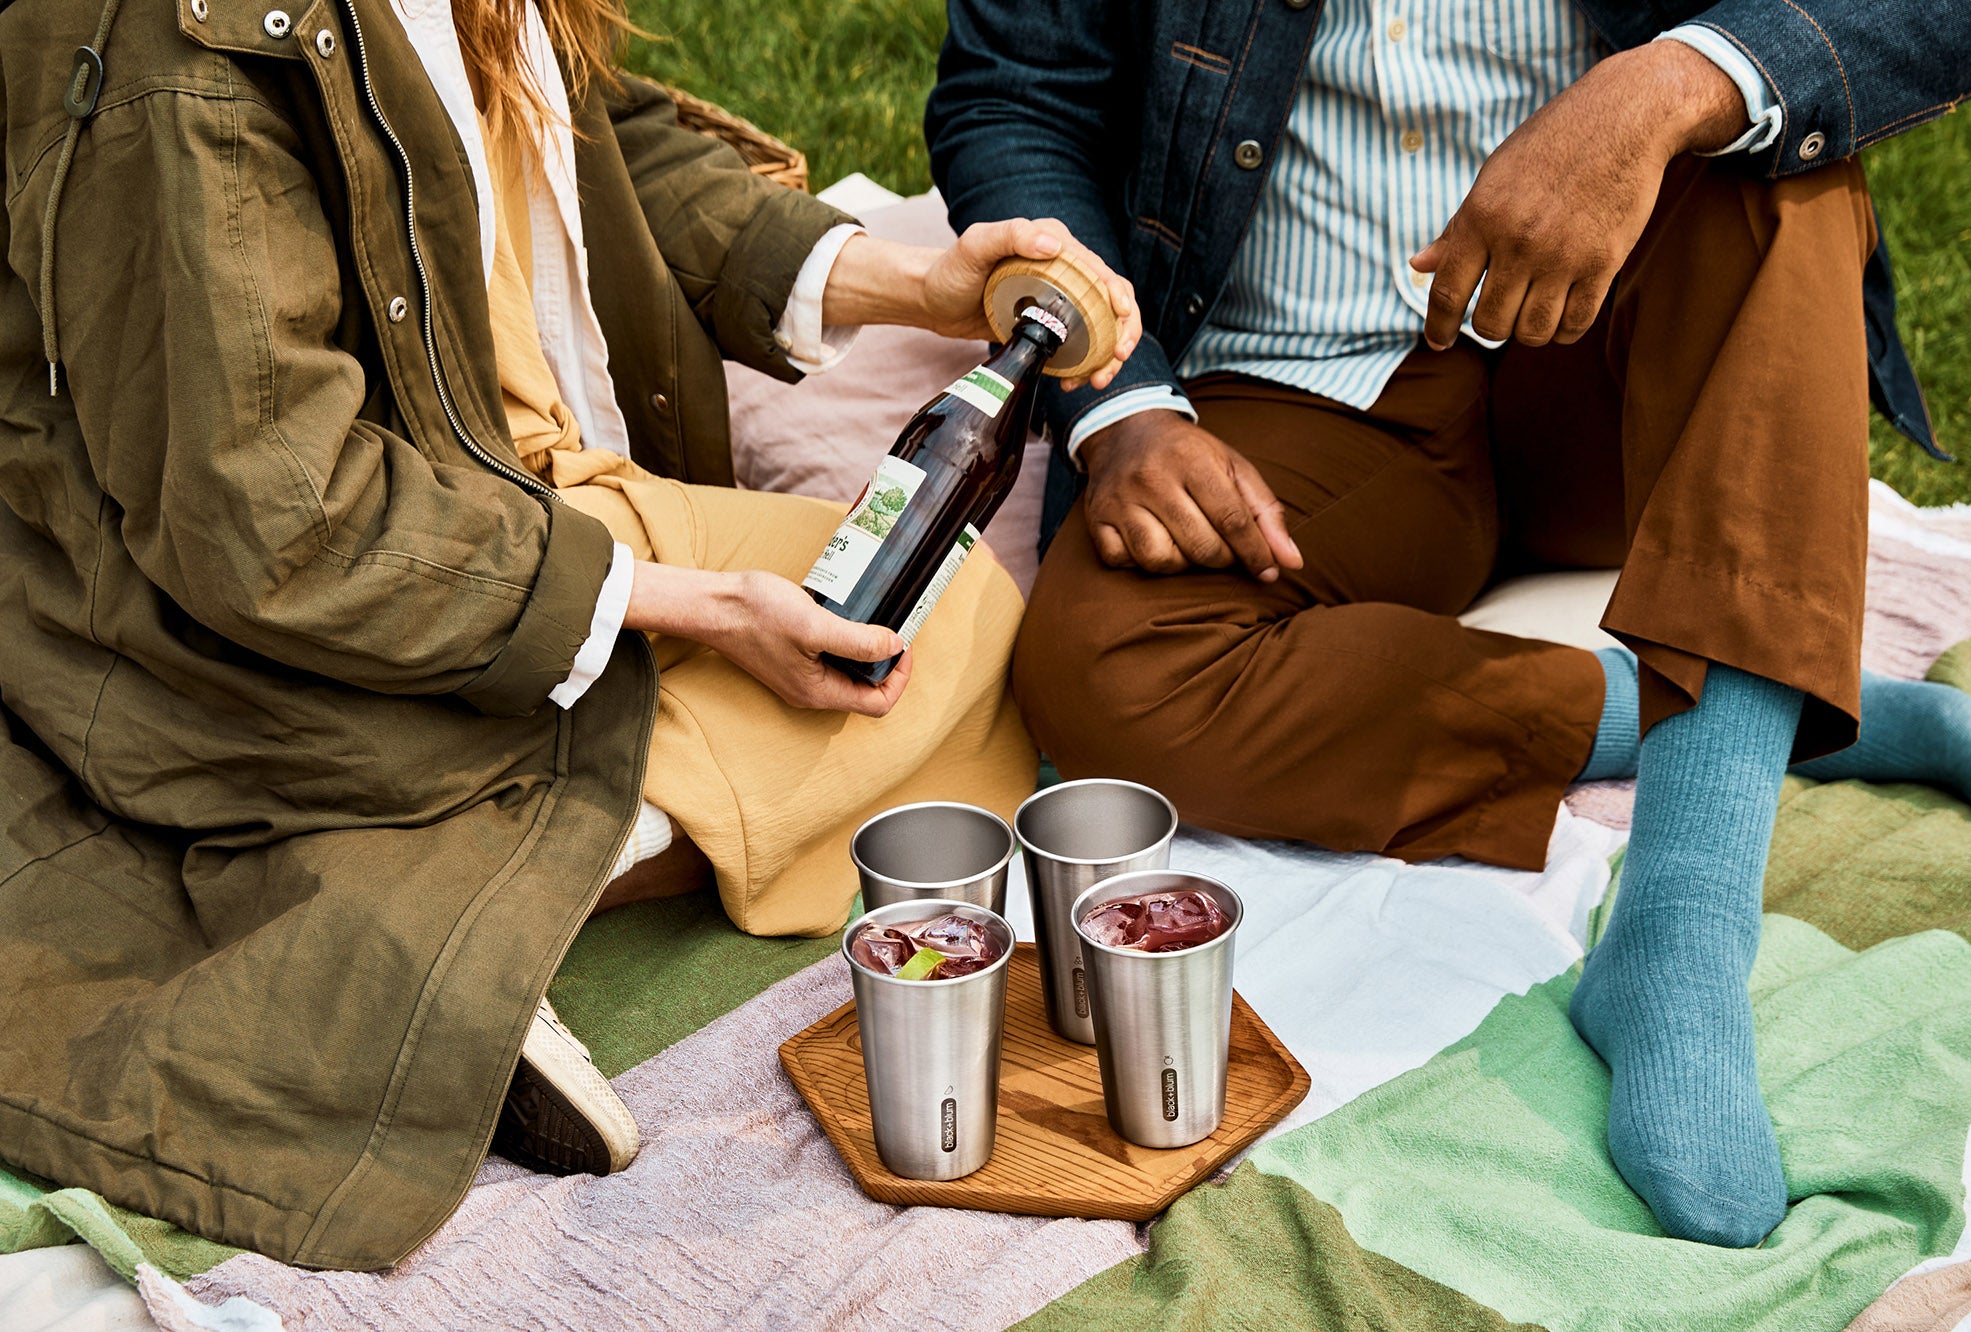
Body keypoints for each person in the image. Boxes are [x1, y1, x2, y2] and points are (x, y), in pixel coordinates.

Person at [0, 0, 1137, 1269]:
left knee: (938, 615)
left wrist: (918, 280)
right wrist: (699, 609)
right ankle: (418, 964)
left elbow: (593, 143)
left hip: (513, 486)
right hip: (254, 588)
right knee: (748, 682)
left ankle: (452, 897)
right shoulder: (180, 51)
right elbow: (273, 517)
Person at [928, 0, 1971, 1247]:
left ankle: (1677, 938)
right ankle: (1780, 703)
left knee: (1777, 184)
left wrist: (1667, 85)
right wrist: (1119, 404)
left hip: (1620, 356)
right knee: (1105, 673)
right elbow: (1018, 95)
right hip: (1299, 372)